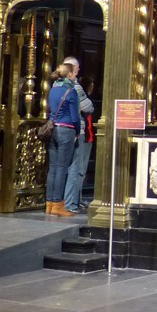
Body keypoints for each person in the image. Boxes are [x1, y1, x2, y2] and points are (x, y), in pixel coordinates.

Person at [45, 62, 81, 217]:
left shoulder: (53, 89)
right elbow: (75, 117)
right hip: (66, 130)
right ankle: (58, 205)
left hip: (53, 130)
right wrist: (78, 132)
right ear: (69, 75)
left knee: (53, 168)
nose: (75, 76)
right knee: (61, 168)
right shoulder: (70, 91)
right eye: (74, 73)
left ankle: (49, 204)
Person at [62, 57, 95, 214]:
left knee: (61, 167)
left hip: (62, 128)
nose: (79, 71)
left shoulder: (56, 85)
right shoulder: (75, 87)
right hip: (77, 130)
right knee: (76, 167)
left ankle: (59, 201)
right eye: (77, 69)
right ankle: (71, 202)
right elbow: (87, 107)